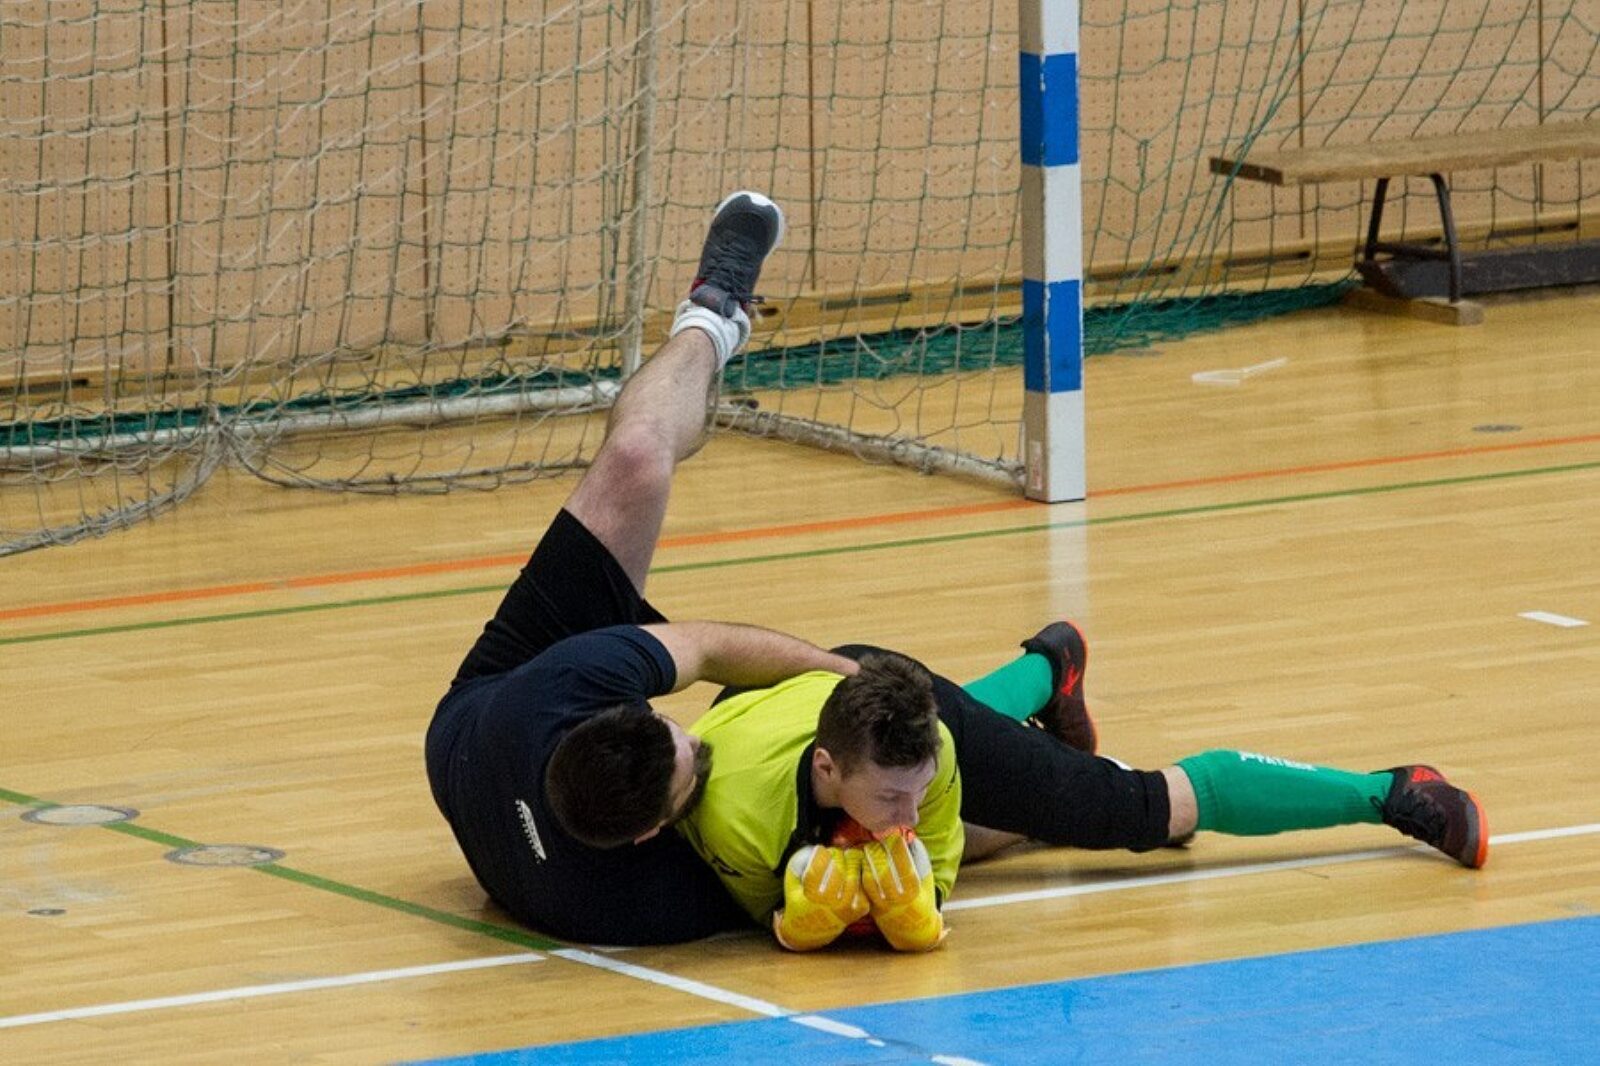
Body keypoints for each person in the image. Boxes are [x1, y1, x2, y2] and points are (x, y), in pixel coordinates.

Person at [424, 190, 858, 945]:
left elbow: (707, 646)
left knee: (634, 457)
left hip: (490, 703)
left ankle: (714, 314)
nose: (678, 730)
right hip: (551, 788)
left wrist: (848, 676)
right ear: (648, 835)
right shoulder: (643, 902)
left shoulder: (555, 692)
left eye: (661, 725)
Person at [673, 622, 1490, 952]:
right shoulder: (737, 815)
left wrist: (918, 890)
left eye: (915, 795)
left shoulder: (932, 754)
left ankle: (1388, 791)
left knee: (1130, 810)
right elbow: (787, 922)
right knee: (993, 783)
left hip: (882, 692)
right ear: (826, 770)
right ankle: (1051, 668)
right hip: (808, 725)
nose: (909, 814)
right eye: (895, 800)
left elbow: (932, 852)